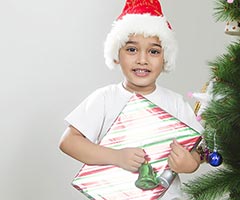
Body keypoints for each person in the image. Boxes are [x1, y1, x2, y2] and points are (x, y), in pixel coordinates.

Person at [59, 0, 204, 199]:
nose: (142, 59)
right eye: (132, 49)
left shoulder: (175, 102)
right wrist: (116, 157)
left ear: (165, 58)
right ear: (117, 54)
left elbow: (196, 149)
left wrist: (190, 164)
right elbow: (69, 142)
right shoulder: (105, 98)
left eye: (153, 51)